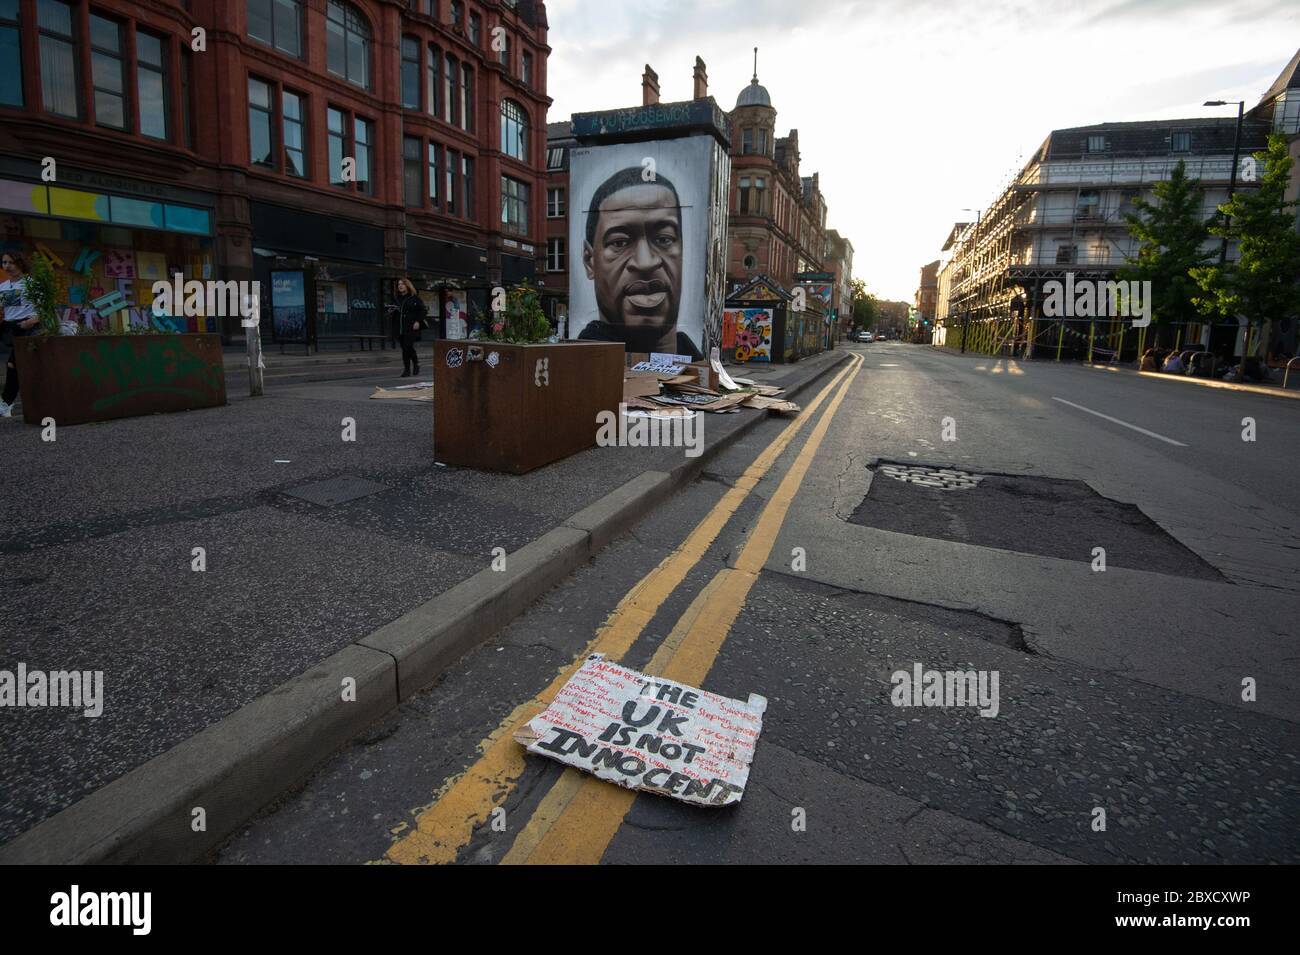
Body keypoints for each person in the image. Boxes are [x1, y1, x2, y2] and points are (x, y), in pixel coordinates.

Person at [577, 167, 702, 360]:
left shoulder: (698, 363)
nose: (645, 263)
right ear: (589, 261)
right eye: (619, 243)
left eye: (664, 239)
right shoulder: (583, 368)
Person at [0, 251, 40, 418]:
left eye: (11, 262)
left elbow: (44, 310)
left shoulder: (31, 284)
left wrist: (31, 321)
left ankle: (6, 402)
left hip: (28, 327)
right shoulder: (2, 286)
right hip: (9, 329)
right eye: (4, 262)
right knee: (20, 365)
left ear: (21, 263)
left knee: (12, 363)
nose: (7, 266)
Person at [393, 277, 428, 377]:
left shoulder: (414, 298)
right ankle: (409, 368)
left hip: (411, 326)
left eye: (402, 284)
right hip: (400, 327)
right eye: (399, 284)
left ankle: (412, 366)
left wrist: (418, 321)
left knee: (407, 346)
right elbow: (392, 312)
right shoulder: (396, 299)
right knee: (405, 348)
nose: (400, 286)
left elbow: (423, 310)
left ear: (407, 285)